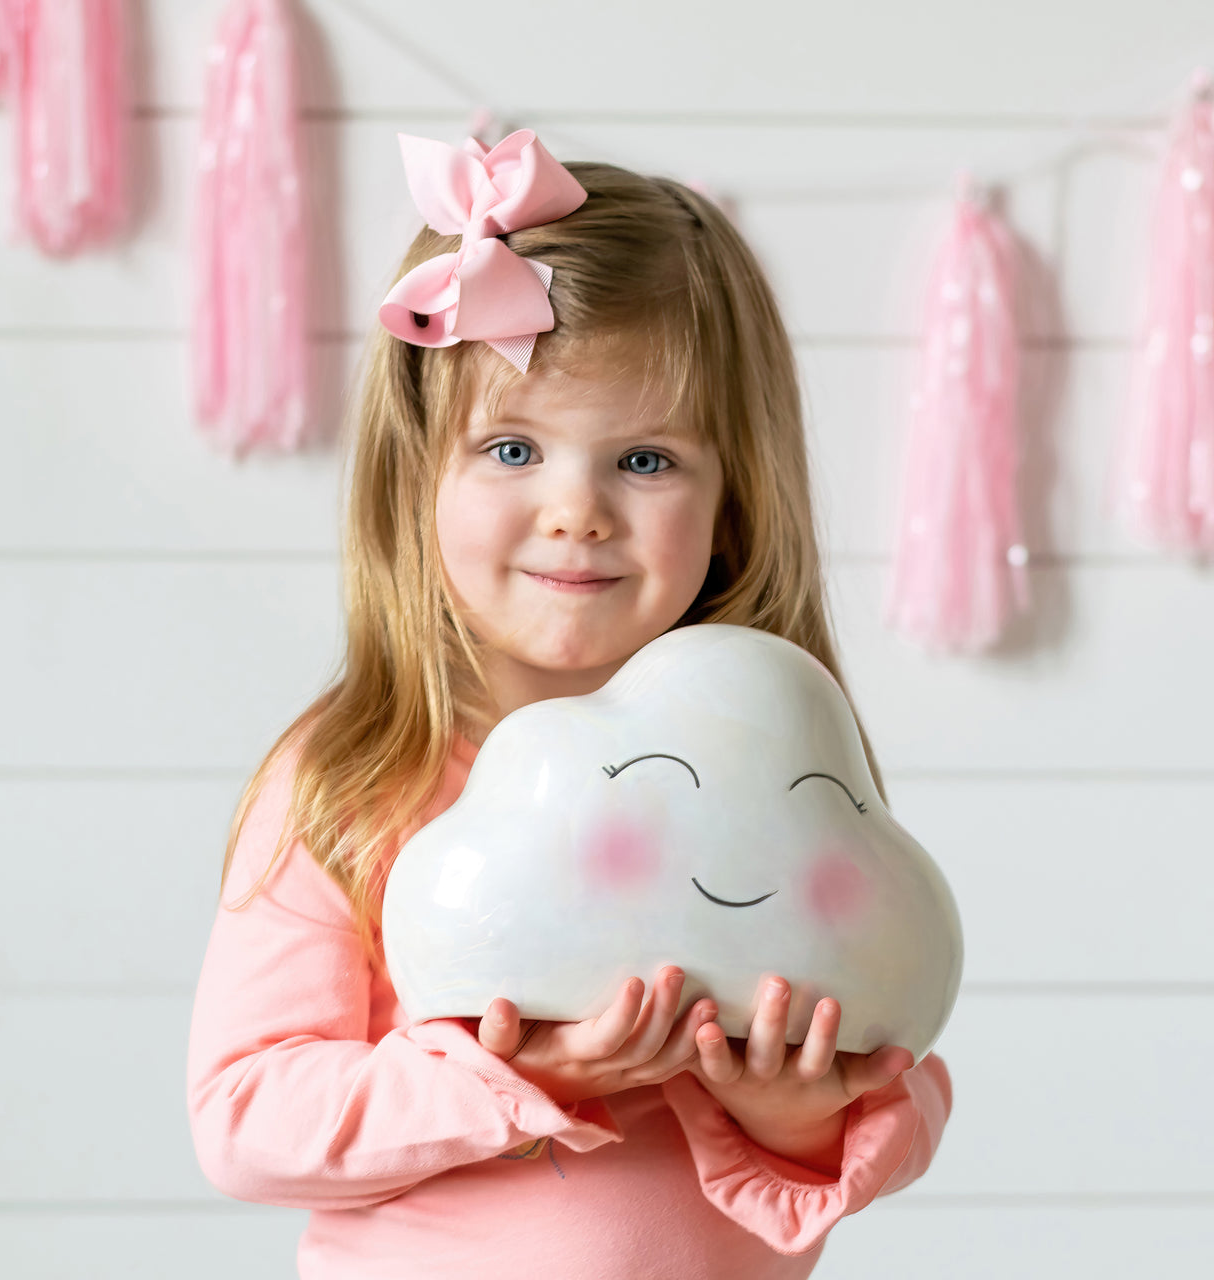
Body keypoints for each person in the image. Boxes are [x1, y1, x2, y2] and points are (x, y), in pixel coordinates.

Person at [187, 129, 952, 1280]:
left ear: (734, 493)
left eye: (644, 461)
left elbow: (908, 1052)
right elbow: (246, 1112)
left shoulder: (767, 760)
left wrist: (796, 1111)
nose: (576, 511)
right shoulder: (355, 769)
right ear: (418, 475)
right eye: (510, 448)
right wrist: (519, 1076)